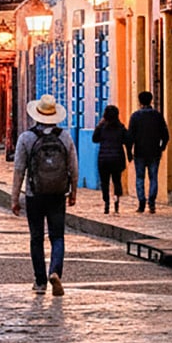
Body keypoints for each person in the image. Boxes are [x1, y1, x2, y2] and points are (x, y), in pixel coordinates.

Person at [10, 94, 79, 297]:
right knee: (57, 237)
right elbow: (73, 167)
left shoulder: (26, 138)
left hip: (34, 194)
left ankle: (40, 282)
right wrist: (73, 191)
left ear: (36, 114)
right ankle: (55, 271)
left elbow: (18, 170)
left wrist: (14, 198)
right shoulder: (64, 137)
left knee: (36, 238)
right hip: (58, 194)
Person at [126, 91, 171, 214]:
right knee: (153, 177)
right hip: (154, 152)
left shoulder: (135, 117)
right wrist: (161, 148)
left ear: (140, 101)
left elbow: (130, 136)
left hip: (139, 152)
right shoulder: (157, 116)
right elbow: (166, 135)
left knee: (140, 178)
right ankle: (151, 202)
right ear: (151, 100)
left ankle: (141, 202)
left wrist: (129, 152)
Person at [91, 105, 128, 215]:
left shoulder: (102, 128)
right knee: (117, 181)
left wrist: (99, 124)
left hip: (104, 159)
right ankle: (116, 203)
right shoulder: (121, 128)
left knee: (105, 182)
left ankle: (106, 203)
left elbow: (94, 139)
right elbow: (127, 139)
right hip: (117, 158)